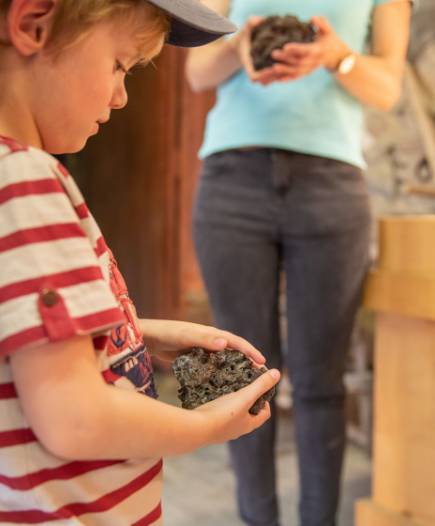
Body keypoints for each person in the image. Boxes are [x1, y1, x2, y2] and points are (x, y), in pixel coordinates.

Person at [0, 1, 281, 524]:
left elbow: (18, 340)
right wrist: (208, 427)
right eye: (119, 65)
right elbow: (74, 420)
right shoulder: (27, 181)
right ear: (32, 24)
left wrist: (129, 331)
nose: (122, 96)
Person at [186, 1, 412, 525]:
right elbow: (198, 70)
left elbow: (388, 88)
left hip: (331, 188)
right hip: (231, 182)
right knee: (236, 375)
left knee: (319, 380)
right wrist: (239, 48)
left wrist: (338, 58)